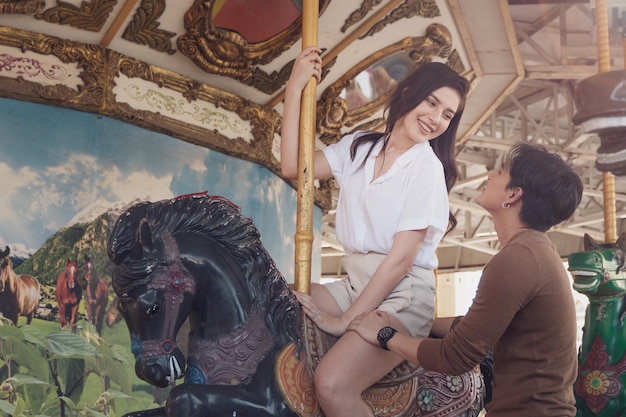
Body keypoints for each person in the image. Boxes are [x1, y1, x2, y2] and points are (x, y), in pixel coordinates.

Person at [280, 46, 470, 417]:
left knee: (332, 384)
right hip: (355, 284)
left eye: (447, 114)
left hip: (402, 293)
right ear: (407, 93)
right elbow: (293, 166)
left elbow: (400, 261)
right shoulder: (359, 146)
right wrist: (295, 88)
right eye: (431, 103)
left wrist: (344, 321)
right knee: (275, 298)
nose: (436, 118)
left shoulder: (426, 169)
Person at [349, 142, 584, 417]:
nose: (490, 176)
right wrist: (416, 321)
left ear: (513, 194)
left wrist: (385, 335)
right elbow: (477, 328)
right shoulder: (536, 252)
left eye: (500, 171)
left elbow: (455, 357)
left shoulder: (518, 259)